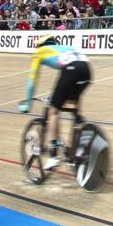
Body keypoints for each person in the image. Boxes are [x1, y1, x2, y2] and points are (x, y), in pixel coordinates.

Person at [18, 35, 92, 170]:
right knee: (72, 105)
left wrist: (28, 103)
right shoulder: (67, 48)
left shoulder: (39, 52)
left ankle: (53, 156)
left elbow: (32, 82)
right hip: (87, 70)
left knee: (53, 111)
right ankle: (76, 141)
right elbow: (67, 75)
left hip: (71, 70)